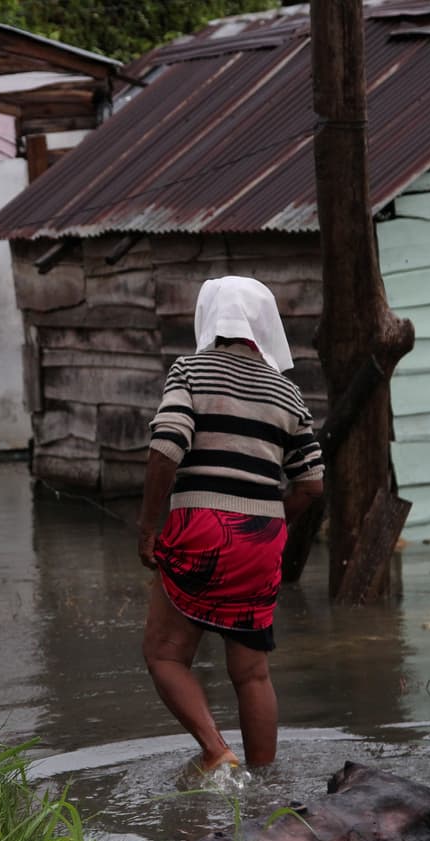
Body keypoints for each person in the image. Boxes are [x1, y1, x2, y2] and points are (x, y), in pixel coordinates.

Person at [138, 275, 324, 771]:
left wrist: (147, 527)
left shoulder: (190, 372)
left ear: (210, 318)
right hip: (263, 540)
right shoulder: (288, 395)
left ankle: (218, 754)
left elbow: (165, 448)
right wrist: (266, 521)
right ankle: (264, 791)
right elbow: (311, 486)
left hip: (200, 528)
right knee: (253, 674)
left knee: (165, 655)